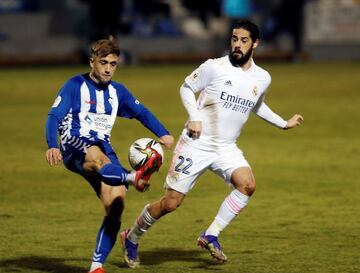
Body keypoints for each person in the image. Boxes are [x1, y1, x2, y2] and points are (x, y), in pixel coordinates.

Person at [120, 20, 304, 267]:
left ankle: (210, 234)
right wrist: (194, 117)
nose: (237, 45)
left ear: (256, 43)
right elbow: (186, 88)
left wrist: (282, 123)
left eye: (244, 40)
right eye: (234, 39)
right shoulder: (214, 67)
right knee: (171, 203)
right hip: (196, 143)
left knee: (247, 185)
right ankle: (132, 237)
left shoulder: (263, 77)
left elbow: (256, 103)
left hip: (226, 147)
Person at [45, 36, 174, 273]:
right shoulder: (74, 86)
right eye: (103, 62)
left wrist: (163, 133)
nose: (107, 68)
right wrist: (53, 144)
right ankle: (133, 177)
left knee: (116, 205)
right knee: (97, 157)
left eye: (113, 64)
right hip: (75, 145)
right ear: (92, 62)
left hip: (103, 148)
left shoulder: (117, 92)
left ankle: (96, 266)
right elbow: (53, 116)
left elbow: (141, 112)